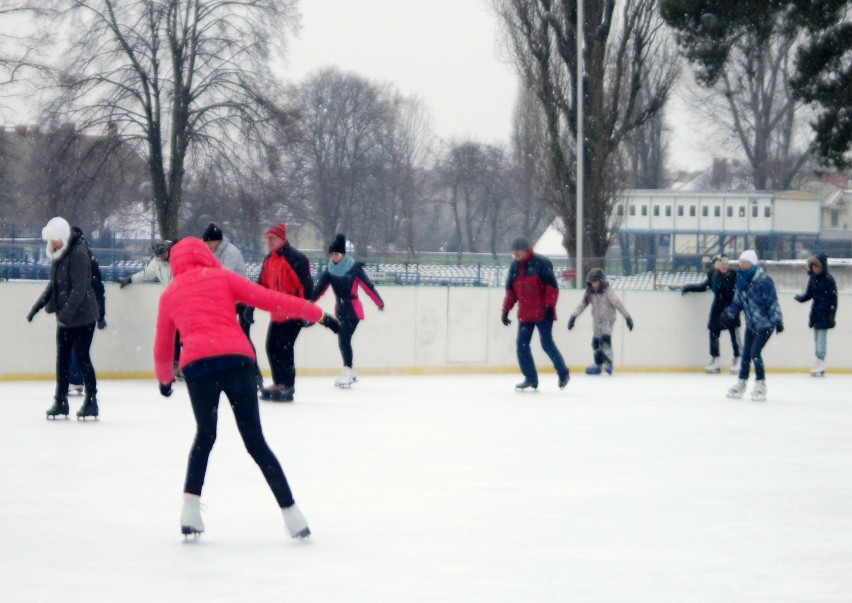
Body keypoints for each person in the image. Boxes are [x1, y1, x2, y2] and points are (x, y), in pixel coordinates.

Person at [153, 237, 340, 539]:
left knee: (205, 436)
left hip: (198, 368)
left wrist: (164, 379)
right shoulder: (223, 278)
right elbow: (272, 299)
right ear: (205, 255)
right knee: (255, 442)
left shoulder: (171, 294)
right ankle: (293, 515)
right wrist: (317, 314)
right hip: (236, 362)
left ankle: (189, 512)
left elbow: (162, 346)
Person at [26, 217, 101, 419]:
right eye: (50, 241)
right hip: (66, 316)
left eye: (55, 240)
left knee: (83, 357)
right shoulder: (59, 254)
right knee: (63, 359)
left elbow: (80, 287)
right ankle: (60, 401)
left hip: (84, 316)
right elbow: (53, 285)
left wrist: (66, 314)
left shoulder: (78, 253)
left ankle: (92, 401)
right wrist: (37, 307)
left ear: (64, 238)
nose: (52, 244)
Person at [244, 223, 314, 402]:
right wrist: (250, 307)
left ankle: (288, 386)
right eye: (266, 238)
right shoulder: (269, 260)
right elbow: (260, 287)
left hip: (295, 313)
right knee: (271, 347)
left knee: (285, 348)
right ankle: (279, 383)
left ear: (282, 239)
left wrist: (308, 312)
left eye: (272, 238)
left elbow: (306, 287)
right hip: (277, 314)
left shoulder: (296, 259)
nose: (268, 242)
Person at [311, 234, 385, 387]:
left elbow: (367, 286)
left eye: (337, 254)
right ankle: (350, 371)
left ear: (343, 254)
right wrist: (307, 302)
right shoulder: (330, 271)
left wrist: (379, 302)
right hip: (340, 310)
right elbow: (319, 290)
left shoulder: (354, 268)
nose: (334, 257)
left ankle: (348, 372)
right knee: (343, 340)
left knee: (344, 339)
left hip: (354, 311)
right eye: (332, 254)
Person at [501, 236, 569, 391]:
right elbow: (511, 292)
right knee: (522, 346)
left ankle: (563, 372)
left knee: (546, 344)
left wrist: (550, 307)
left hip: (543, 313)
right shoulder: (514, 268)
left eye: (518, 251)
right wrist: (505, 310)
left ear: (526, 250)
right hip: (525, 315)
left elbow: (552, 288)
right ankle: (531, 378)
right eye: (514, 252)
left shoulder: (541, 263)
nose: (516, 255)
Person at [202, 222, 262, 387]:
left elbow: (223, 277)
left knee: (243, 336)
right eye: (205, 244)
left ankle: (255, 374)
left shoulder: (231, 253)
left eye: (209, 243)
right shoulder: (213, 252)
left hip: (244, 301)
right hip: (229, 301)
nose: (207, 246)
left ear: (218, 241)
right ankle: (231, 372)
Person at [722, 250, 783, 401]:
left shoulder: (764, 281)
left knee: (755, 352)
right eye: (741, 262)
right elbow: (737, 302)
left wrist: (778, 320)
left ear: (752, 263)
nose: (741, 264)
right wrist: (728, 314)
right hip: (751, 324)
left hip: (766, 324)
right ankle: (741, 383)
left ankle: (760, 384)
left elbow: (772, 301)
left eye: (745, 262)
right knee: (746, 355)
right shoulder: (741, 280)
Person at [679, 255, 742, 374]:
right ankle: (715, 359)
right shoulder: (713, 275)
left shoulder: (734, 275)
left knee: (734, 333)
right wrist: (687, 288)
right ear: (716, 265)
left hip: (731, 307)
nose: (725, 266)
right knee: (713, 333)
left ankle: (739, 359)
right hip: (717, 308)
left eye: (726, 263)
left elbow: (742, 287)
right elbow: (703, 286)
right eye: (722, 263)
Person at [567, 267, 634, 375]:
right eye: (592, 282)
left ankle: (609, 363)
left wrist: (627, 317)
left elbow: (617, 303)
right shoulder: (590, 292)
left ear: (601, 281)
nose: (594, 284)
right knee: (595, 342)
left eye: (596, 282)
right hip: (596, 320)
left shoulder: (607, 291)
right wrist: (573, 317)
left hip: (608, 319)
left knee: (605, 340)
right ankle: (597, 364)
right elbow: (582, 304)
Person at [68, 227, 107, 394]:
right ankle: (78, 380)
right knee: (79, 348)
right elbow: (99, 288)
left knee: (74, 347)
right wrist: (101, 314)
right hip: (87, 310)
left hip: (79, 310)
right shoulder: (88, 258)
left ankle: (76, 380)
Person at [794, 253, 838, 377]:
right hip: (816, 312)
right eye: (812, 267)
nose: (814, 269)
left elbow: (833, 298)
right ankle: (818, 361)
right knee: (816, 338)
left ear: (822, 266)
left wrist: (832, 312)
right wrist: (801, 298)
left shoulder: (829, 280)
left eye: (816, 267)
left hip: (825, 313)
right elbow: (809, 294)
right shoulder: (813, 279)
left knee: (821, 340)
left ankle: (821, 361)